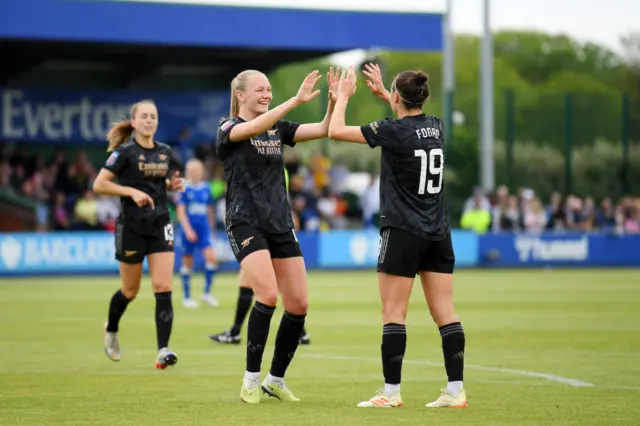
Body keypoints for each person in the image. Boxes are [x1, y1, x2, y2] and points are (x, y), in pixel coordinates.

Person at [327, 66, 467, 408]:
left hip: (403, 230)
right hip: (438, 232)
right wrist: (386, 94)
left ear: (397, 97)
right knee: (446, 313)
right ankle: (455, 391)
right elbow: (409, 123)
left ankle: (391, 393)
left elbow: (335, 131)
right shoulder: (436, 126)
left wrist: (343, 97)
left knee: (393, 312)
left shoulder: (392, 130)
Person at [216, 67, 339, 404]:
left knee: (298, 303)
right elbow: (253, 127)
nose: (267, 94)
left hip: (280, 224)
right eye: (260, 90)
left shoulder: (277, 128)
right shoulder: (228, 128)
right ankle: (251, 380)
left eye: (269, 89)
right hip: (245, 222)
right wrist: (294, 100)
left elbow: (324, 129)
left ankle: (275, 380)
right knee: (268, 296)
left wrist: (333, 103)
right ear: (240, 95)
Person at [93, 99, 185, 370]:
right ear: (134, 122)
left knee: (163, 287)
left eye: (153, 116)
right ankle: (111, 328)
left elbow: (163, 182)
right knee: (130, 291)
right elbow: (99, 184)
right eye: (144, 116)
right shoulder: (124, 153)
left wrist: (173, 185)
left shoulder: (165, 151)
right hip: (131, 227)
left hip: (159, 224)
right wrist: (130, 192)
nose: (149, 120)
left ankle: (163, 350)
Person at [209, 167, 310, 345]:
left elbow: (278, 196)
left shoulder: (271, 167)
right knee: (253, 282)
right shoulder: (277, 166)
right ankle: (236, 331)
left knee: (269, 285)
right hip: (267, 224)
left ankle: (236, 332)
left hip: (267, 225)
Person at [175, 158, 219, 308]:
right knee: (188, 262)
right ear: (187, 172)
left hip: (204, 229)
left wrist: (211, 229)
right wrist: (187, 230)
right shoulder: (184, 188)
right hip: (188, 230)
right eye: (192, 171)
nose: (195, 173)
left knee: (211, 259)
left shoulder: (206, 188)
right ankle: (187, 297)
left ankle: (206, 294)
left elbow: (209, 210)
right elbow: (180, 212)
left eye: (197, 171)